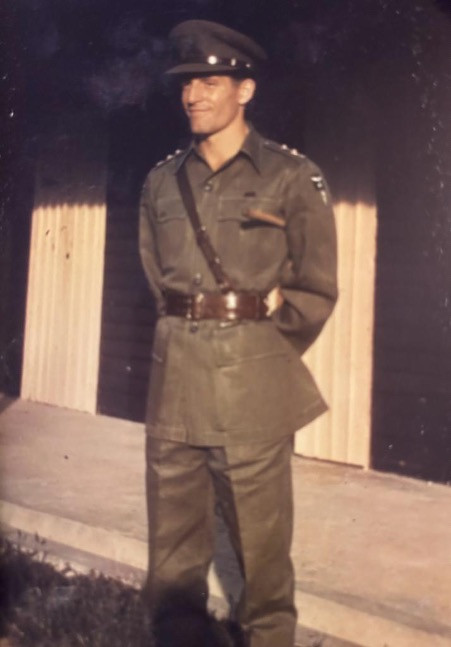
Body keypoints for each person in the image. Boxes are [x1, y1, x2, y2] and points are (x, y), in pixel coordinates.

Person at [139, 19, 338, 647]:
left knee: (262, 561)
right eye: (185, 84)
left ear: (244, 90)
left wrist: (260, 354)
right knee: (172, 565)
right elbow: (159, 281)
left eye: (208, 82)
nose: (192, 95)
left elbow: (314, 290)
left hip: (250, 394)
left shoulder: (291, 177)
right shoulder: (160, 181)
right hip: (174, 391)